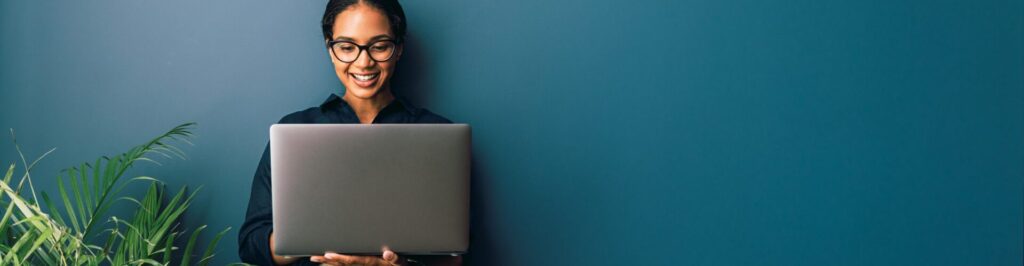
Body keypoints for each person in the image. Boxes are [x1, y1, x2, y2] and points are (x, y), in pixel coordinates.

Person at [238, 0, 463, 265]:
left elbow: (454, 254)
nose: (364, 62)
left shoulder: (437, 135)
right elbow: (251, 245)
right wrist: (309, 241)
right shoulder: (295, 131)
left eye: (379, 46)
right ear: (330, 48)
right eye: (347, 47)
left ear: (399, 48)